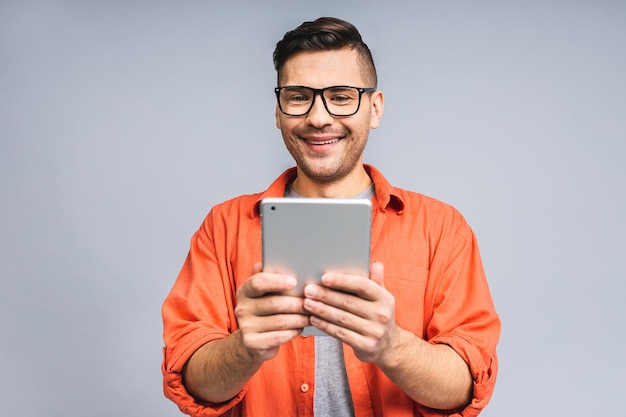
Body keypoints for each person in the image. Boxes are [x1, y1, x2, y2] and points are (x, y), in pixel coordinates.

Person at [162, 17, 500, 417]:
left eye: (341, 96)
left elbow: (465, 388)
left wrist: (391, 345)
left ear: (374, 109)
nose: (318, 117)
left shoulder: (442, 229)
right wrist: (245, 347)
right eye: (298, 96)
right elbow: (191, 382)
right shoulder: (223, 227)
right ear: (278, 111)